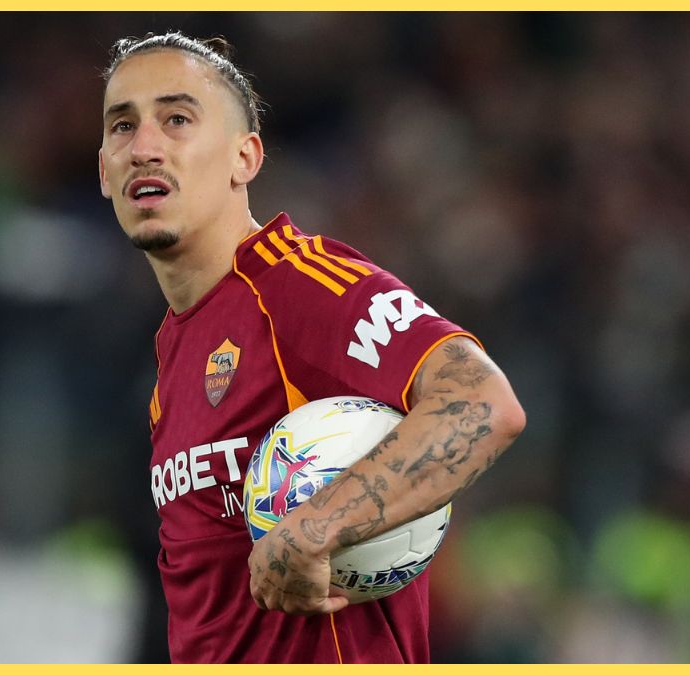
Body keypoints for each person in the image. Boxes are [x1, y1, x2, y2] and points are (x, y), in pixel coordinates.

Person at [98, 31, 525, 664]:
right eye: (122, 126)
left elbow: (483, 401)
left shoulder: (300, 285)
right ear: (103, 171)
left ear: (245, 159)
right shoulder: (170, 352)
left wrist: (317, 527)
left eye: (177, 119)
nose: (144, 147)